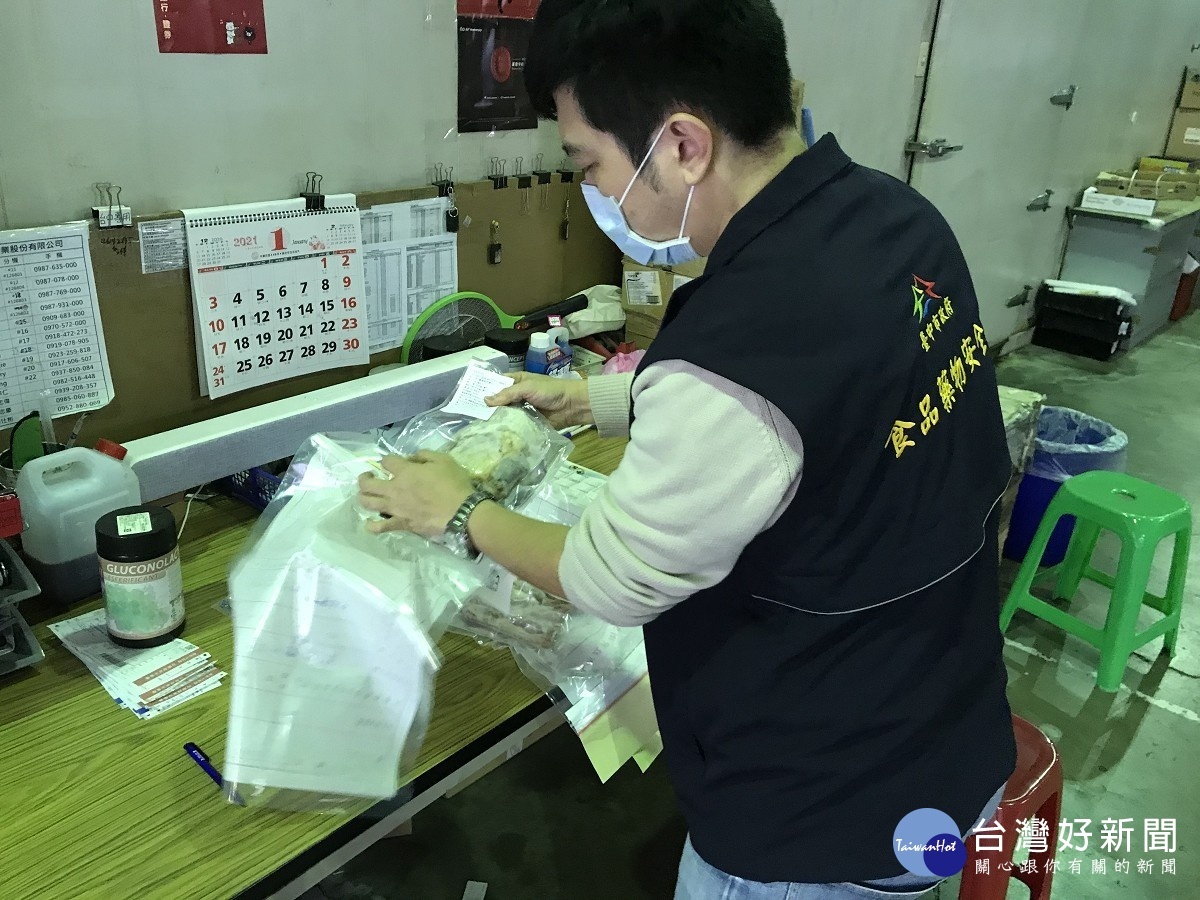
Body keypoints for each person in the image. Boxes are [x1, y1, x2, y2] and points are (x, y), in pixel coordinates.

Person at [357, 0, 1016, 896]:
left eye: (588, 164)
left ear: (682, 145)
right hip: (946, 734)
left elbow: (610, 578)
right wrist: (600, 398)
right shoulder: (893, 216)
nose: (594, 193)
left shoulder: (740, 338)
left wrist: (461, 510)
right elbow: (831, 400)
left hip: (816, 817)